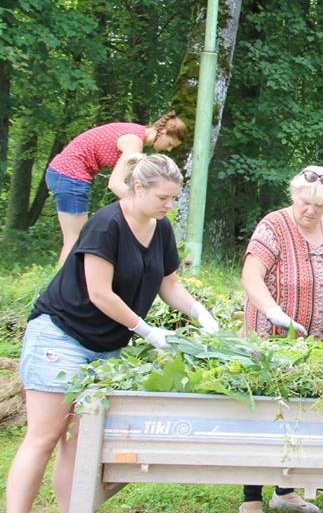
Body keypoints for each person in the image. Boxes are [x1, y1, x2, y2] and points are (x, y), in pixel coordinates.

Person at [5, 153, 220, 513]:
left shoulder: (161, 227)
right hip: (61, 335)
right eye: (163, 198)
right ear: (138, 188)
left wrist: (200, 312)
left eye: (173, 198)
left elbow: (169, 285)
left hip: (106, 345)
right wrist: (147, 331)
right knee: (45, 437)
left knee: (81, 440)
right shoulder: (107, 225)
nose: (169, 204)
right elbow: (99, 292)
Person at [239, 165, 323, 513]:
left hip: (320, 342)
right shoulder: (273, 226)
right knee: (268, 413)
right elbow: (250, 276)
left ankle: (285, 490)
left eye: (318, 206)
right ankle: (250, 497)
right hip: (272, 337)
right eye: (304, 202)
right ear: (293, 194)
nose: (310, 210)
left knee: (303, 411)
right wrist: (273, 311)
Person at [46, 111, 188, 264]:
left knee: (76, 238)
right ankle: (65, 285)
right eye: (170, 144)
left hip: (63, 174)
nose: (168, 150)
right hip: (69, 175)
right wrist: (143, 205)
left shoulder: (135, 132)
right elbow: (115, 183)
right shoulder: (134, 143)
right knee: (75, 239)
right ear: (164, 132)